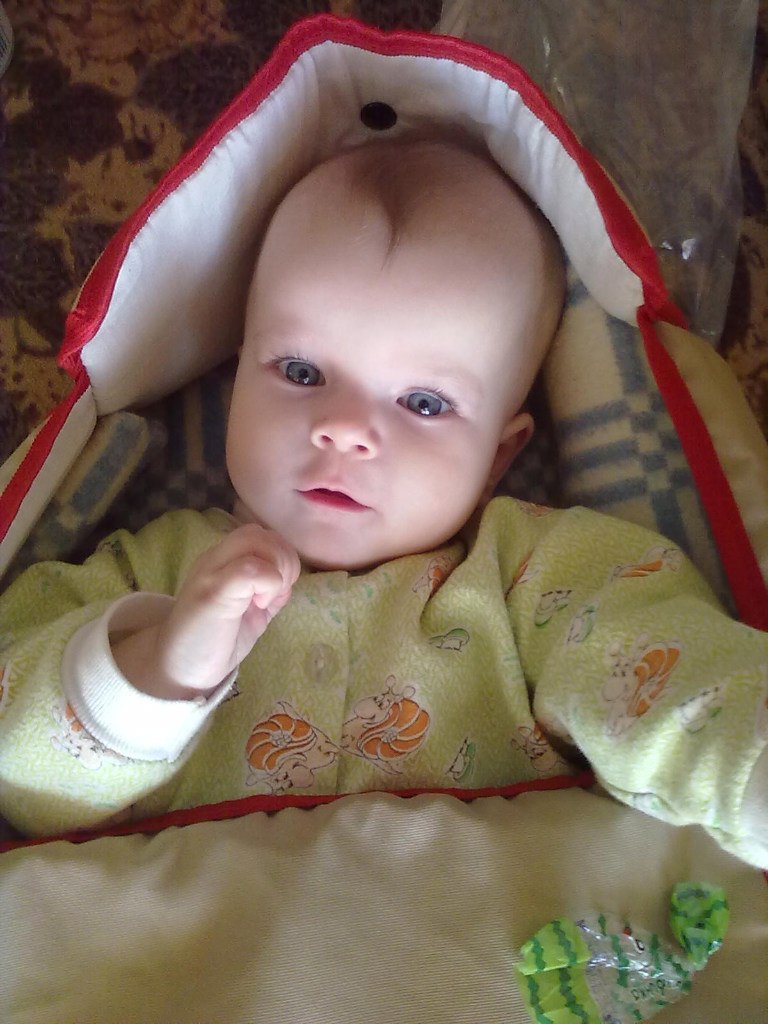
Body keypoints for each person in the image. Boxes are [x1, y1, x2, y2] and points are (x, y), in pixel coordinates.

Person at [0, 139, 766, 869]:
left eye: (424, 403)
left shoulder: (534, 576)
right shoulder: (151, 571)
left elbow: (666, 678)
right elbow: (21, 774)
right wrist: (157, 668)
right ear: (234, 385)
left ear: (499, 457)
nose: (343, 428)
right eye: (301, 371)